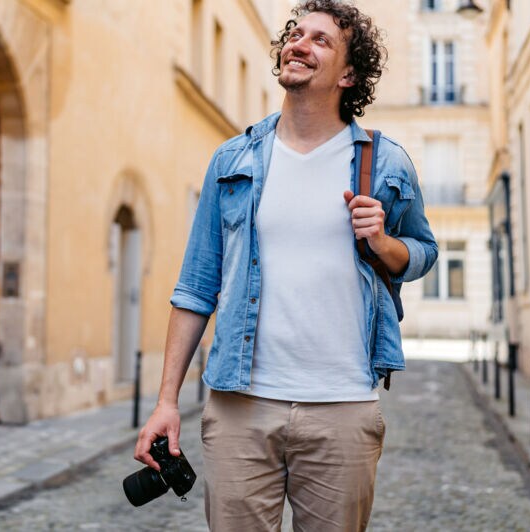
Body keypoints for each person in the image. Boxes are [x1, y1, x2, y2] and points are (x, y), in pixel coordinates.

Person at [134, 1, 438, 530]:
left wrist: (384, 242)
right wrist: (166, 401)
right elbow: (196, 287)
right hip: (239, 406)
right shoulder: (234, 160)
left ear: (348, 73)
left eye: (320, 39)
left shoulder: (384, 162)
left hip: (343, 404)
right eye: (295, 34)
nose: (298, 43)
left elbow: (423, 252)